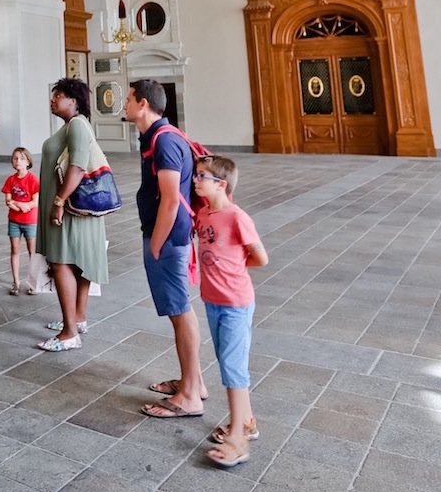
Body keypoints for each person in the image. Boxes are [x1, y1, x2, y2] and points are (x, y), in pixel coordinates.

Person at [125, 80, 206, 419]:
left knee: (179, 310)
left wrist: (156, 243)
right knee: (178, 310)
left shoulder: (165, 141)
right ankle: (194, 382)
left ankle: (189, 396)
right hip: (170, 238)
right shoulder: (160, 138)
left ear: (143, 104)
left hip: (169, 240)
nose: (124, 105)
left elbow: (171, 199)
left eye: (128, 99)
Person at [194, 154, 268, 468]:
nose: (196, 180)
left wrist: (234, 269)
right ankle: (247, 420)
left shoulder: (237, 218)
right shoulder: (204, 215)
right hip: (212, 300)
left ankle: (238, 438)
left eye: (201, 176)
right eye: (196, 175)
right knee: (227, 361)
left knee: (233, 370)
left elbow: (261, 258)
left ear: (221, 184)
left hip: (236, 302)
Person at [35, 77, 109, 352]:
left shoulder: (77, 125)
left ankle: (69, 333)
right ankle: (77, 319)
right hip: (72, 208)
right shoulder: (73, 126)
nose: (53, 100)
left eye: (59, 95)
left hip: (69, 209)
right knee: (75, 263)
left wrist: (58, 200)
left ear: (73, 101)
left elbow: (77, 167)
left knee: (62, 262)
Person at [1, 147, 39, 296]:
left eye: (22, 159)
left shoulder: (32, 179)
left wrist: (26, 205)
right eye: (15, 158)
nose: (18, 161)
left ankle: (34, 282)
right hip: (14, 220)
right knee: (15, 250)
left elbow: (35, 201)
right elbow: (8, 200)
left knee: (32, 252)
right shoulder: (11, 180)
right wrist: (17, 205)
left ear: (28, 162)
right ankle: (16, 281)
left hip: (30, 221)